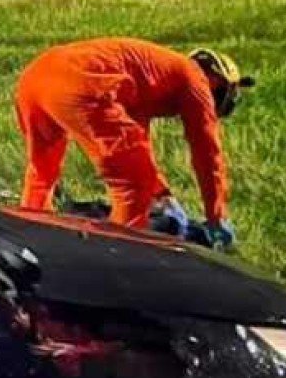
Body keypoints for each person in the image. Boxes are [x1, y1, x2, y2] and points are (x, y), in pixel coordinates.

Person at [14, 39, 253, 248]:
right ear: (216, 80)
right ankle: (120, 258)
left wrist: (162, 194)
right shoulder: (195, 80)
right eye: (228, 92)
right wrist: (216, 217)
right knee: (134, 186)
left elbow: (137, 144)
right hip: (81, 82)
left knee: (42, 171)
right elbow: (207, 155)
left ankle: (30, 238)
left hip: (36, 77)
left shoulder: (156, 74)